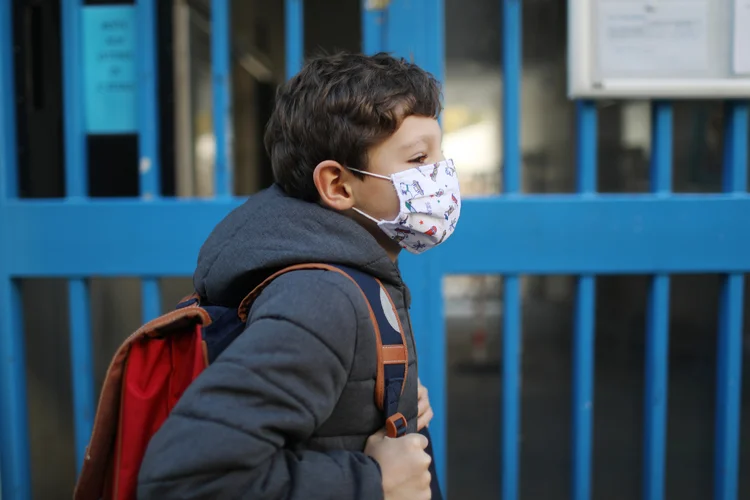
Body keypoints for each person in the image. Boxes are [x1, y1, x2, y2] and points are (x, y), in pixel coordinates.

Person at [137, 51, 460, 500]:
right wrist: (372, 482)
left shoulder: (347, 276)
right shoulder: (322, 300)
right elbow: (186, 480)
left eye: (441, 153)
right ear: (338, 186)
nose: (442, 176)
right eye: (419, 158)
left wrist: (385, 394)